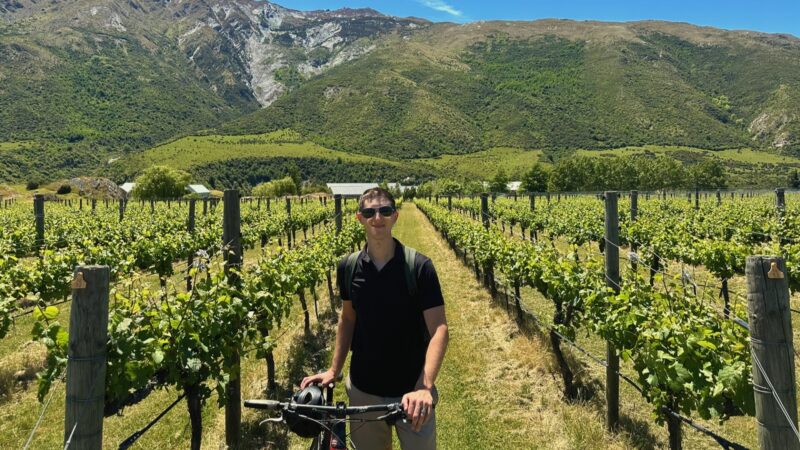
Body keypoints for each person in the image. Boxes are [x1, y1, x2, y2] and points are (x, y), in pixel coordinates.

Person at [301, 187, 449, 449]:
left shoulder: (419, 267)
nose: (377, 217)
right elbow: (347, 319)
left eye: (385, 210)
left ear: (395, 216)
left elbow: (439, 329)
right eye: (369, 212)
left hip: (412, 393)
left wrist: (424, 387)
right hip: (363, 391)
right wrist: (334, 370)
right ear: (360, 218)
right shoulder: (348, 267)